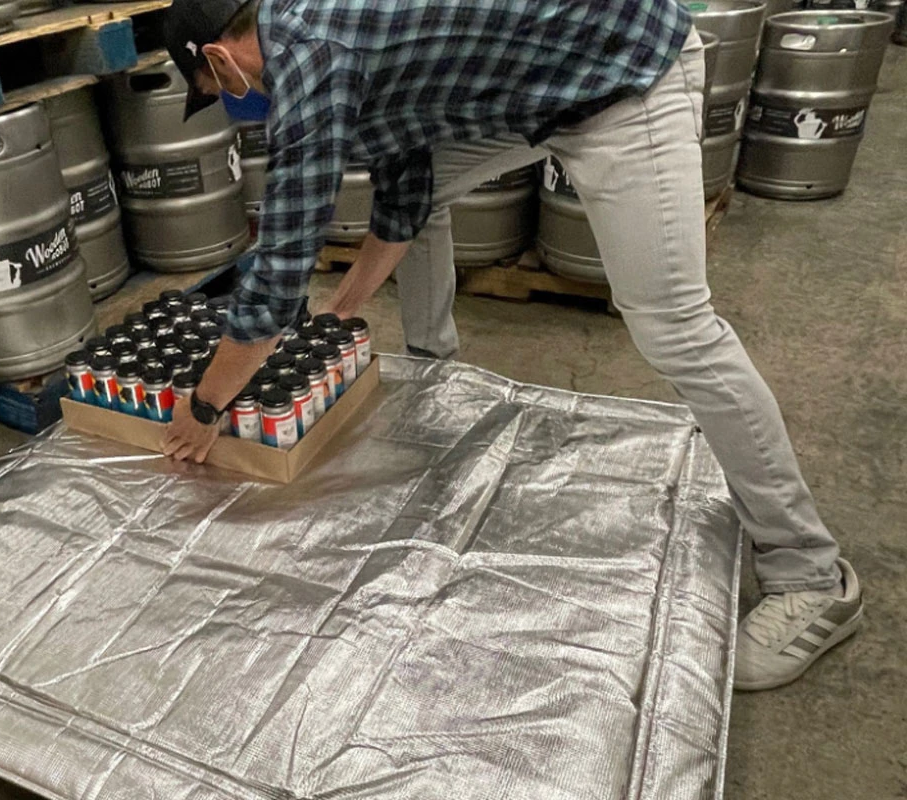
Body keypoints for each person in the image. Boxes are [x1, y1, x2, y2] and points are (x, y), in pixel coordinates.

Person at [158, 0, 862, 691]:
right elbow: (405, 181)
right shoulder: (323, 32)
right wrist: (341, 312)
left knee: (675, 327)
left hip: (617, 72)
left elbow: (281, 268)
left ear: (218, 57)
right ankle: (438, 372)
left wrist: (207, 402)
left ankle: (810, 574)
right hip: (536, 80)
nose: (233, 103)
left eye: (217, 90)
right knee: (428, 191)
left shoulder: (308, 59)